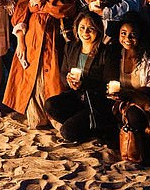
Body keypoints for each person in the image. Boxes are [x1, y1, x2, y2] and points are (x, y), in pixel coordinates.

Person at [3, 0, 77, 128]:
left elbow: (68, 8)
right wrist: (20, 41)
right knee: (32, 76)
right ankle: (37, 113)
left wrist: (42, 5)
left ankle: (56, 115)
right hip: (33, 38)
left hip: (55, 38)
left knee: (54, 74)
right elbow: (20, 14)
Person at [44, 11, 119, 142]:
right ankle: (82, 123)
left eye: (91, 29)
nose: (86, 32)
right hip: (76, 98)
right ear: (76, 29)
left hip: (95, 102)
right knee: (50, 104)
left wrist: (84, 84)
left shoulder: (106, 53)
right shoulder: (71, 47)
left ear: (98, 30)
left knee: (67, 132)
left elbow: (108, 85)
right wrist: (68, 80)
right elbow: (63, 73)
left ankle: (95, 127)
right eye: (82, 28)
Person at [110, 13, 150, 161]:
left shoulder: (149, 61)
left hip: (147, 105)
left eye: (132, 35)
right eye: (123, 33)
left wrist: (128, 94)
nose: (127, 38)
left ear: (140, 37)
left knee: (133, 114)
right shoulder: (117, 55)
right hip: (123, 102)